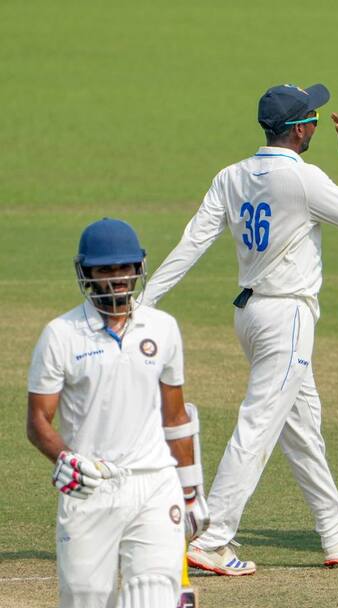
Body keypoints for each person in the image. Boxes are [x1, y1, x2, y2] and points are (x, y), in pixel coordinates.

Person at [143, 83, 338, 574]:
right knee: (258, 425)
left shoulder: (231, 176)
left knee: (301, 428)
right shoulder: (301, 177)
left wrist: (143, 302)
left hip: (250, 316)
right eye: (311, 117)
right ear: (298, 129)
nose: (316, 123)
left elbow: (191, 244)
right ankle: (213, 538)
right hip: (287, 316)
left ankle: (336, 530)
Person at [27, 218, 206, 607]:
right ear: (87, 274)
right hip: (90, 485)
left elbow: (175, 418)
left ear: (138, 267)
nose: (118, 278)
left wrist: (190, 491)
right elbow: (38, 420)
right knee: (86, 599)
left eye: (125, 267)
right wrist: (66, 458)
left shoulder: (162, 328)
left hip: (154, 483)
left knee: (154, 597)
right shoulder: (61, 334)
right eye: (106, 270)